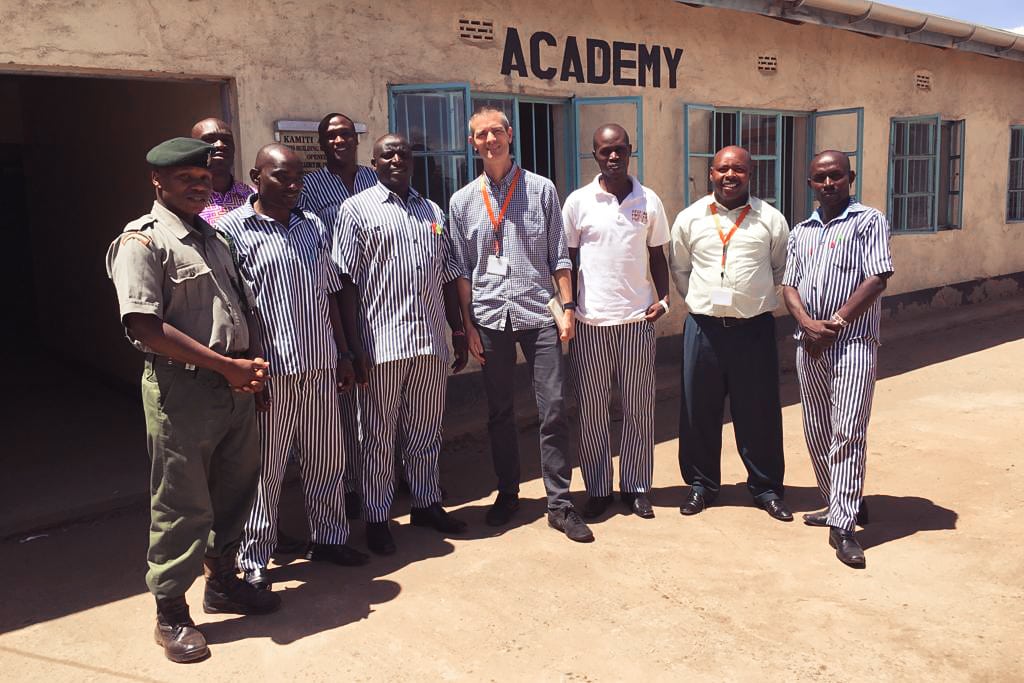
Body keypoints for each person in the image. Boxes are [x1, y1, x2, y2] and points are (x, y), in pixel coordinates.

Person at [105, 137, 279, 663]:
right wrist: (227, 366)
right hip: (182, 391)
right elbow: (144, 326)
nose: (198, 186)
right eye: (186, 179)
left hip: (234, 389)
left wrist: (249, 371)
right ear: (158, 182)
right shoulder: (142, 242)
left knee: (234, 490)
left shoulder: (213, 237)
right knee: (182, 502)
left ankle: (222, 581)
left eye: (203, 179)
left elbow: (238, 308)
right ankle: (171, 613)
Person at [219, 144, 368, 588]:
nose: (292, 186)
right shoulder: (233, 232)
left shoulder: (312, 225)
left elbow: (329, 296)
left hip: (319, 365)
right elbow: (231, 309)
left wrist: (343, 354)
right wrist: (247, 367)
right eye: (282, 177)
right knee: (266, 469)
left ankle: (329, 537)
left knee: (327, 460)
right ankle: (255, 559)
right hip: (271, 372)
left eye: (298, 178)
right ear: (256, 175)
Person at [449, 107, 593, 543]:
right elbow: (461, 270)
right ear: (473, 144)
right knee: (499, 412)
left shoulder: (542, 189)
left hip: (537, 313)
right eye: (481, 135)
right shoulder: (461, 202)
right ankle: (508, 493)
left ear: (510, 136)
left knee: (552, 407)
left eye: (496, 131)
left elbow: (559, 256)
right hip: (489, 316)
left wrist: (568, 307)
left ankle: (560, 503)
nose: (490, 140)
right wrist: (467, 326)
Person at [335, 134, 469, 555]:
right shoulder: (355, 210)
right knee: (377, 434)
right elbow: (345, 285)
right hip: (381, 345)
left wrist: (458, 330)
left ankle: (427, 502)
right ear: (373, 163)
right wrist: (353, 350)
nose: (396, 160)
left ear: (413, 161)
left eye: (404, 154)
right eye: (387, 155)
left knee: (427, 429)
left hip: (430, 341)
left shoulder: (432, 210)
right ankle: (377, 514)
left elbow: (448, 276)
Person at [667, 145, 793, 523]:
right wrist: (701, 302)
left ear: (750, 174)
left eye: (738, 169)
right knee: (697, 410)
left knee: (759, 412)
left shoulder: (770, 219)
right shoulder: (689, 219)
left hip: (753, 329)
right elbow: (680, 267)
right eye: (723, 169)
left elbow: (781, 268)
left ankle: (766, 487)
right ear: (711, 173)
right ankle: (701, 485)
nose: (730, 176)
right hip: (703, 328)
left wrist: (752, 303)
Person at [781, 150, 894, 569]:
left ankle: (843, 526)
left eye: (835, 176)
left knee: (847, 429)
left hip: (853, 342)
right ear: (809, 183)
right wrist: (808, 324)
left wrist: (834, 322)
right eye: (819, 178)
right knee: (816, 428)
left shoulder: (868, 220)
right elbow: (789, 285)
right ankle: (838, 499)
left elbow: (877, 277)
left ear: (850, 177)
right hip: (808, 342)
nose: (828, 184)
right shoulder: (801, 231)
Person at [562, 124, 671, 520]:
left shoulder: (649, 200)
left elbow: (658, 256)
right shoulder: (577, 202)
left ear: (630, 151)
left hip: (637, 321)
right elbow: (567, 262)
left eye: (620, 150)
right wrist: (568, 308)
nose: (613, 157)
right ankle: (597, 488)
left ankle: (637, 487)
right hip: (591, 324)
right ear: (594, 155)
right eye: (605, 151)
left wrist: (665, 300)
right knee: (592, 410)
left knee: (639, 407)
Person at [298, 112, 379, 520]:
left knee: (381, 394)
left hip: (380, 299)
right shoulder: (310, 187)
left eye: (346, 134)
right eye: (330, 136)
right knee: (347, 396)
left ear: (356, 140)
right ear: (321, 144)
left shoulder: (374, 178)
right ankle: (350, 485)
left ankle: (383, 476)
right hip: (335, 300)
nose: (339, 141)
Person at [190, 118, 253, 226]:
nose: (220, 145)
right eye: (209, 139)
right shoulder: (186, 200)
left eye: (226, 140)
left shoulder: (254, 197)